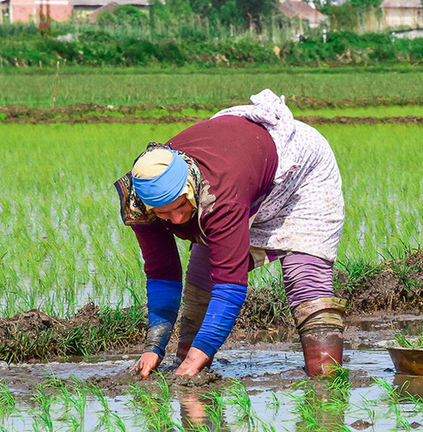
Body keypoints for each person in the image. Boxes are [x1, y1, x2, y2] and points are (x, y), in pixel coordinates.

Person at [114, 90, 345, 378]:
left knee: (306, 281)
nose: (177, 219)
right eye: (164, 213)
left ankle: (327, 384)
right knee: (199, 285)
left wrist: (198, 356)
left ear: (191, 188)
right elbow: (162, 273)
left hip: (300, 173)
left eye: (180, 206)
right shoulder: (140, 201)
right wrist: (154, 346)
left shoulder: (218, 197)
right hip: (240, 169)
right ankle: (189, 374)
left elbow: (230, 285)